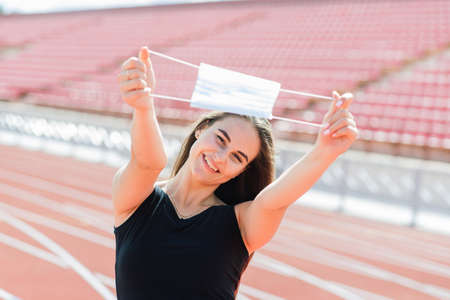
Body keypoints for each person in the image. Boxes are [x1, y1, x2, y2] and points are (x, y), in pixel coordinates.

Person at [112, 46, 358, 299]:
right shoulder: (137, 201)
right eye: (220, 139)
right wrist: (143, 106)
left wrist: (325, 152)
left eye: (237, 157)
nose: (219, 158)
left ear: (241, 171)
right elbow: (148, 162)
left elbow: (273, 201)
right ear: (202, 129)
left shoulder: (241, 225)